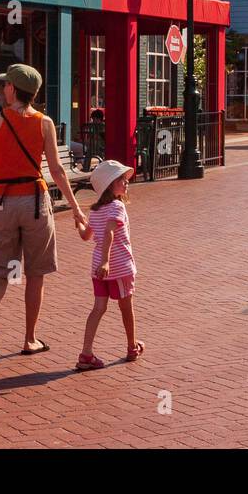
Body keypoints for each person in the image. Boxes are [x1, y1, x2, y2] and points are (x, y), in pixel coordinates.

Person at [0, 63, 85, 360]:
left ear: (12, 89)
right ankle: (29, 338)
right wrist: (75, 209)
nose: (2, 89)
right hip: (34, 202)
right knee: (35, 274)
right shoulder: (44, 122)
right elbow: (57, 170)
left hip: (1, 200)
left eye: (5, 85)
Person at [76, 159, 143, 371]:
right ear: (110, 185)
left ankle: (86, 353)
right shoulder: (117, 206)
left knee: (98, 308)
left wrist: (79, 222)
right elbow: (109, 232)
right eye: (122, 180)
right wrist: (106, 261)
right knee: (126, 307)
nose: (126, 183)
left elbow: (86, 236)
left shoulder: (95, 211)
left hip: (98, 270)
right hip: (118, 267)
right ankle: (132, 346)